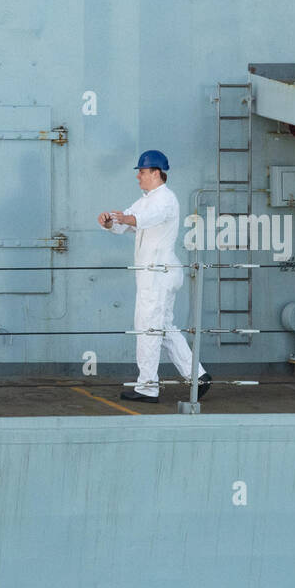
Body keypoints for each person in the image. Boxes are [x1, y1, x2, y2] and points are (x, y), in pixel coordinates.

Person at [98, 149, 210, 403]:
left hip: (158, 274)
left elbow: (144, 219)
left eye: (142, 171)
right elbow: (127, 224)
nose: (138, 176)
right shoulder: (147, 199)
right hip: (155, 274)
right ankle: (199, 376)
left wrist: (126, 217)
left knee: (147, 328)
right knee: (164, 328)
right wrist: (109, 222)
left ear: (156, 173)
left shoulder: (164, 200)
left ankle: (147, 387)